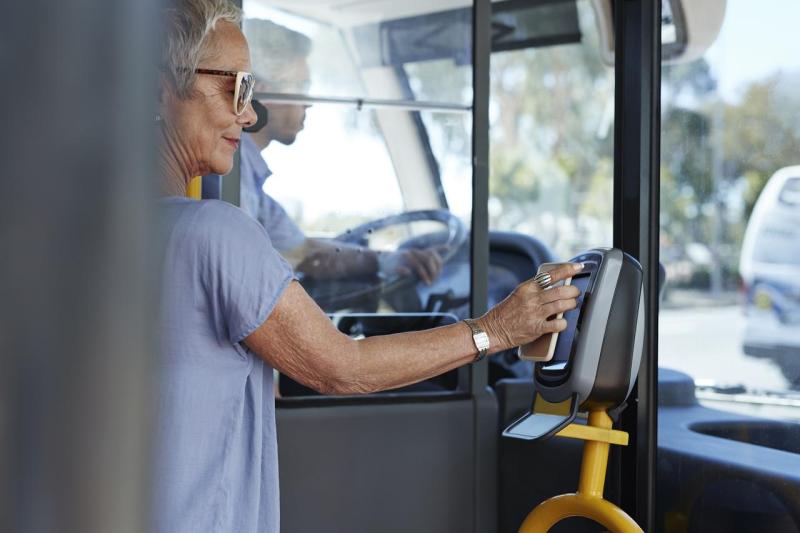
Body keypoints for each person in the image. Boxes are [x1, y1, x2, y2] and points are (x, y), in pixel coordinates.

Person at [153, 1, 582, 532]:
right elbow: (342, 367)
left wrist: (390, 262)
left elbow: (303, 252)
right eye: (235, 88)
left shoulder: (67, 241)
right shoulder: (215, 234)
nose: (249, 111)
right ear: (158, 91)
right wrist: (494, 331)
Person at [237, 18, 445, 286]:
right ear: (262, 92)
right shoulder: (235, 173)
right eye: (300, 87)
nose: (308, 104)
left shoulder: (250, 180)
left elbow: (305, 253)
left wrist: (386, 260)